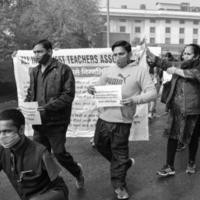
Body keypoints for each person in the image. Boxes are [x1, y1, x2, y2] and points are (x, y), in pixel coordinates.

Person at [88, 40, 157, 199]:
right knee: (99, 145)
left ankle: (119, 187)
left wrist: (134, 100)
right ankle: (124, 164)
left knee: (119, 153)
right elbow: (99, 87)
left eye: (121, 54)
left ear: (130, 54)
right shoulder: (108, 71)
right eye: (114, 54)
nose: (117, 57)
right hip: (104, 118)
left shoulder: (140, 71)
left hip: (122, 121)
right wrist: (92, 89)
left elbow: (152, 93)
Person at [25, 39, 84, 189]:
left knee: (59, 154)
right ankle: (48, 184)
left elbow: (68, 95)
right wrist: (26, 106)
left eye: (40, 51)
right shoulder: (34, 71)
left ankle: (77, 172)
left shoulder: (64, 69)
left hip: (57, 122)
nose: (36, 55)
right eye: (35, 52)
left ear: (50, 51)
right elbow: (31, 92)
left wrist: (47, 107)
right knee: (40, 155)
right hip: (38, 122)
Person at [147, 43, 200, 177]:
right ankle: (169, 166)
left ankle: (191, 161)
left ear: (197, 56)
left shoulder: (197, 67)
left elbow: (192, 74)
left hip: (193, 109)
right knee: (172, 136)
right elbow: (166, 64)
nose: (184, 56)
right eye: (184, 53)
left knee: (192, 136)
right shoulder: (181, 64)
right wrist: (154, 59)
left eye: (189, 54)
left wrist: (175, 70)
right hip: (176, 108)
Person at [0, 109, 69, 200]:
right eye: (0, 132)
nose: (2, 136)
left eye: (7, 131)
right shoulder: (2, 150)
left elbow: (62, 190)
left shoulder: (41, 153)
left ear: (21, 130)